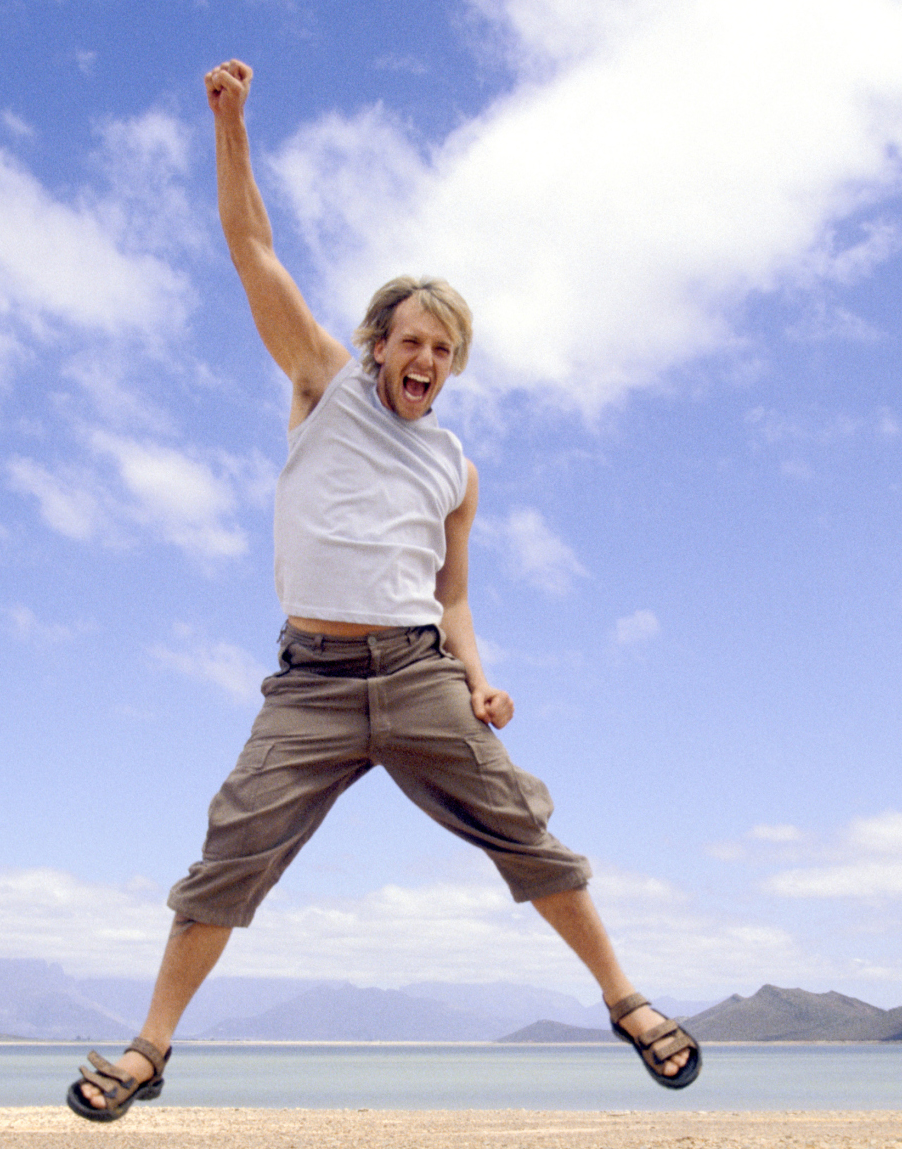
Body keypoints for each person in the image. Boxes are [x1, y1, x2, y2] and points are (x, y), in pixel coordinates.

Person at [66, 58, 700, 1122]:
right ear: (377, 344)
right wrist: (231, 124)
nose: (427, 359)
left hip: (417, 674)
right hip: (310, 684)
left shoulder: (458, 468)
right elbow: (251, 249)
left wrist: (479, 681)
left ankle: (626, 1001)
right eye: (412, 340)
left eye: (444, 350)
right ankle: (148, 1049)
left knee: (527, 829)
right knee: (229, 856)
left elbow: (452, 598)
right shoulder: (323, 383)